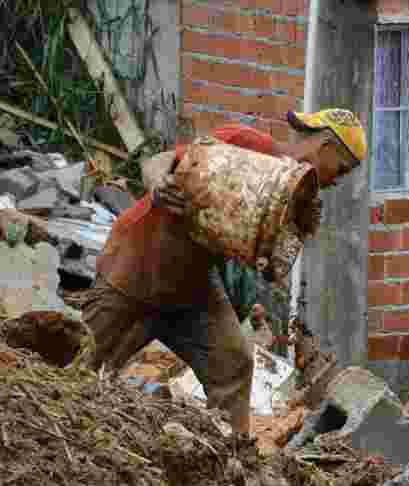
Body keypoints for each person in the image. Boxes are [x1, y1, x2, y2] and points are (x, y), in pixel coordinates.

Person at [82, 108, 366, 437]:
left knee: (233, 364)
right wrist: (158, 184)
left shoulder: (296, 199)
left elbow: (267, 265)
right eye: (341, 168)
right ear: (326, 145)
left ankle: (231, 462)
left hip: (191, 285)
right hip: (137, 263)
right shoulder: (249, 145)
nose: (337, 181)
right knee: (80, 361)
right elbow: (159, 161)